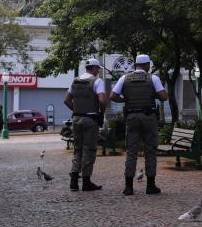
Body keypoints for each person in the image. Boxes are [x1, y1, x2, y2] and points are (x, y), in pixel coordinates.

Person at [109, 54, 168, 196]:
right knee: (150, 151)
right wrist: (152, 95)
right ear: (147, 65)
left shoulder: (125, 78)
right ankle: (150, 186)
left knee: (131, 152)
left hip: (131, 117)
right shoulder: (153, 78)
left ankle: (128, 187)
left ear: (135, 65)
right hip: (149, 117)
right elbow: (164, 97)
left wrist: (125, 100)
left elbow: (112, 96)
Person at [64, 58, 106, 191]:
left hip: (76, 119)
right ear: (93, 68)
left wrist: (76, 110)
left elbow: (66, 100)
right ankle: (86, 182)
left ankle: (74, 181)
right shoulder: (97, 81)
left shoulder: (75, 81)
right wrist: (100, 113)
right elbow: (102, 100)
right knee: (89, 150)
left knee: (78, 150)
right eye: (97, 68)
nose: (98, 71)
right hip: (90, 120)